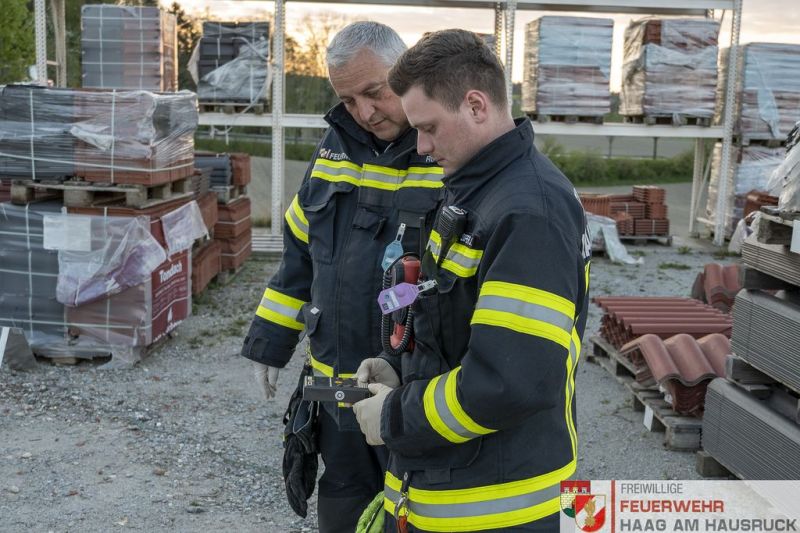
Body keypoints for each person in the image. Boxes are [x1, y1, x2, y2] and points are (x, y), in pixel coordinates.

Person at [353, 29, 591, 532]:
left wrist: (396, 415)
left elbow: (509, 383)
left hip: (501, 511)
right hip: (451, 486)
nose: (421, 147)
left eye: (428, 128)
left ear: (476, 106)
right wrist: (400, 370)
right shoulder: (476, 189)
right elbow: (452, 327)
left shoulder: (528, 213)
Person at [240, 21, 444, 532]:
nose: (364, 113)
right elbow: (300, 254)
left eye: (375, 93)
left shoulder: (445, 147)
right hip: (337, 389)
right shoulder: (334, 147)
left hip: (413, 394)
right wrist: (270, 342)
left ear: (406, 72)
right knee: (344, 505)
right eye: (348, 100)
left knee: (417, 511)